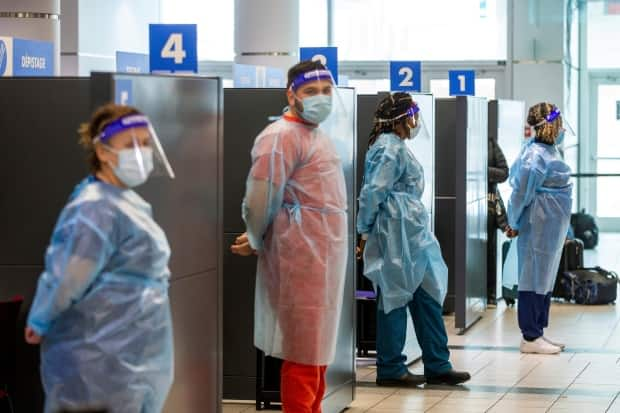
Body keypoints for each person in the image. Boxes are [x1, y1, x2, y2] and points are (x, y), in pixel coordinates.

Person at [25, 104, 175, 413]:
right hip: (99, 351)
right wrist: (41, 318)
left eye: (145, 143)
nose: (140, 152)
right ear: (104, 152)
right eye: (129, 144)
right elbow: (67, 276)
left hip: (133, 345)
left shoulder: (127, 201)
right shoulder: (93, 208)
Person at [230, 60, 348, 413]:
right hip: (301, 253)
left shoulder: (317, 135)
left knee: (318, 347)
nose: (320, 98)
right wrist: (254, 236)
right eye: (311, 91)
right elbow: (260, 196)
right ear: (291, 94)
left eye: (326, 91)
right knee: (304, 350)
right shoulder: (279, 136)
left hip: (325, 252)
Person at [357, 92, 470, 387]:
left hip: (412, 235)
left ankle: (438, 364)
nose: (415, 121)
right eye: (411, 114)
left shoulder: (397, 147)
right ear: (399, 118)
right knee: (394, 298)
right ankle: (391, 368)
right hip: (394, 234)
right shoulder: (388, 148)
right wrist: (364, 230)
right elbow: (372, 194)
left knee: (428, 295)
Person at [507, 102, 573, 354]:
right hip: (538, 222)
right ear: (549, 125)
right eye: (558, 123)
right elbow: (520, 193)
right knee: (532, 277)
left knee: (544, 277)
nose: (562, 128)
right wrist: (513, 222)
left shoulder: (551, 150)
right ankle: (530, 336)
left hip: (551, 225)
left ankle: (538, 331)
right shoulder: (535, 156)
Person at [487, 134, 510, 305]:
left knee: (489, 251)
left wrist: (483, 171)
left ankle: (489, 294)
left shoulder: (490, 144)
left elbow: (504, 173)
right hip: (464, 204)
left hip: (488, 204)